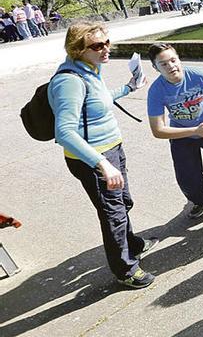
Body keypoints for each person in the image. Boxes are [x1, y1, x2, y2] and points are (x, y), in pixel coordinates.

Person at [48, 22, 157, 288]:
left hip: (111, 149)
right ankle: (125, 270)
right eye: (97, 46)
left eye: (107, 42)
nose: (106, 48)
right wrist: (102, 165)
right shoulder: (68, 81)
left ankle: (133, 245)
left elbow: (100, 100)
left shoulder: (89, 70)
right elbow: (64, 132)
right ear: (78, 49)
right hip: (94, 158)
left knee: (123, 202)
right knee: (113, 213)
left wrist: (129, 88)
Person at [146, 43, 203, 219]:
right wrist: (195, 130)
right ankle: (201, 200)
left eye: (173, 60)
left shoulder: (199, 75)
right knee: (186, 179)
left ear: (179, 58)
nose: (171, 66)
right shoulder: (156, 91)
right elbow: (158, 130)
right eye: (163, 64)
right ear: (155, 67)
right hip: (183, 134)